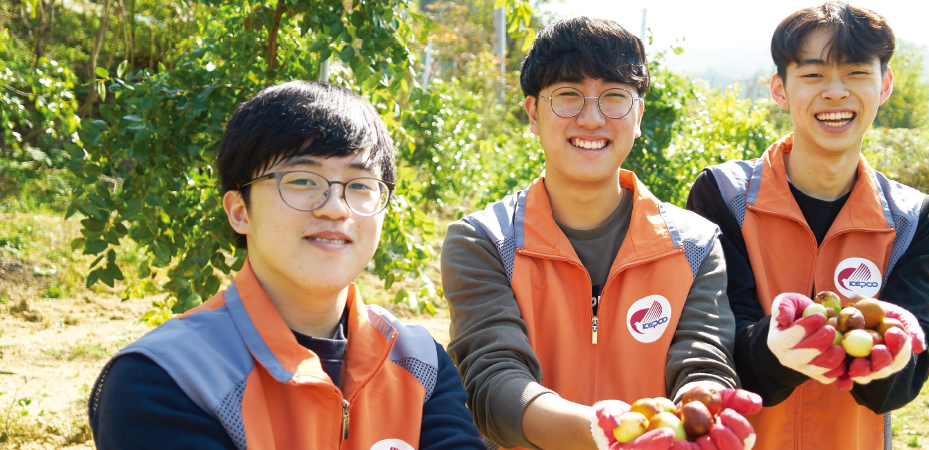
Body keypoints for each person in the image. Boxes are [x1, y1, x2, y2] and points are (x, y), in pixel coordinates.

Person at [88, 81, 485, 450]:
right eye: (301, 180)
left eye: (360, 185)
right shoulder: (167, 379)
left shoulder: (420, 363)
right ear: (240, 211)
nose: (334, 207)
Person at [442, 17, 752, 450]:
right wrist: (600, 430)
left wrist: (701, 411)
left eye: (614, 98)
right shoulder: (484, 242)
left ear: (638, 114)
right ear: (533, 113)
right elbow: (494, 384)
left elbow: (703, 364)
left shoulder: (695, 246)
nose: (591, 119)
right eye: (568, 96)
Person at [686, 2, 929, 449]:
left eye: (856, 73)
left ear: (884, 85)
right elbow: (713, 347)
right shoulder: (723, 196)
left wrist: (888, 362)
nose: (835, 92)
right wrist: (779, 347)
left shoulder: (916, 219)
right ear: (779, 89)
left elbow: (901, 386)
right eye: (812, 75)